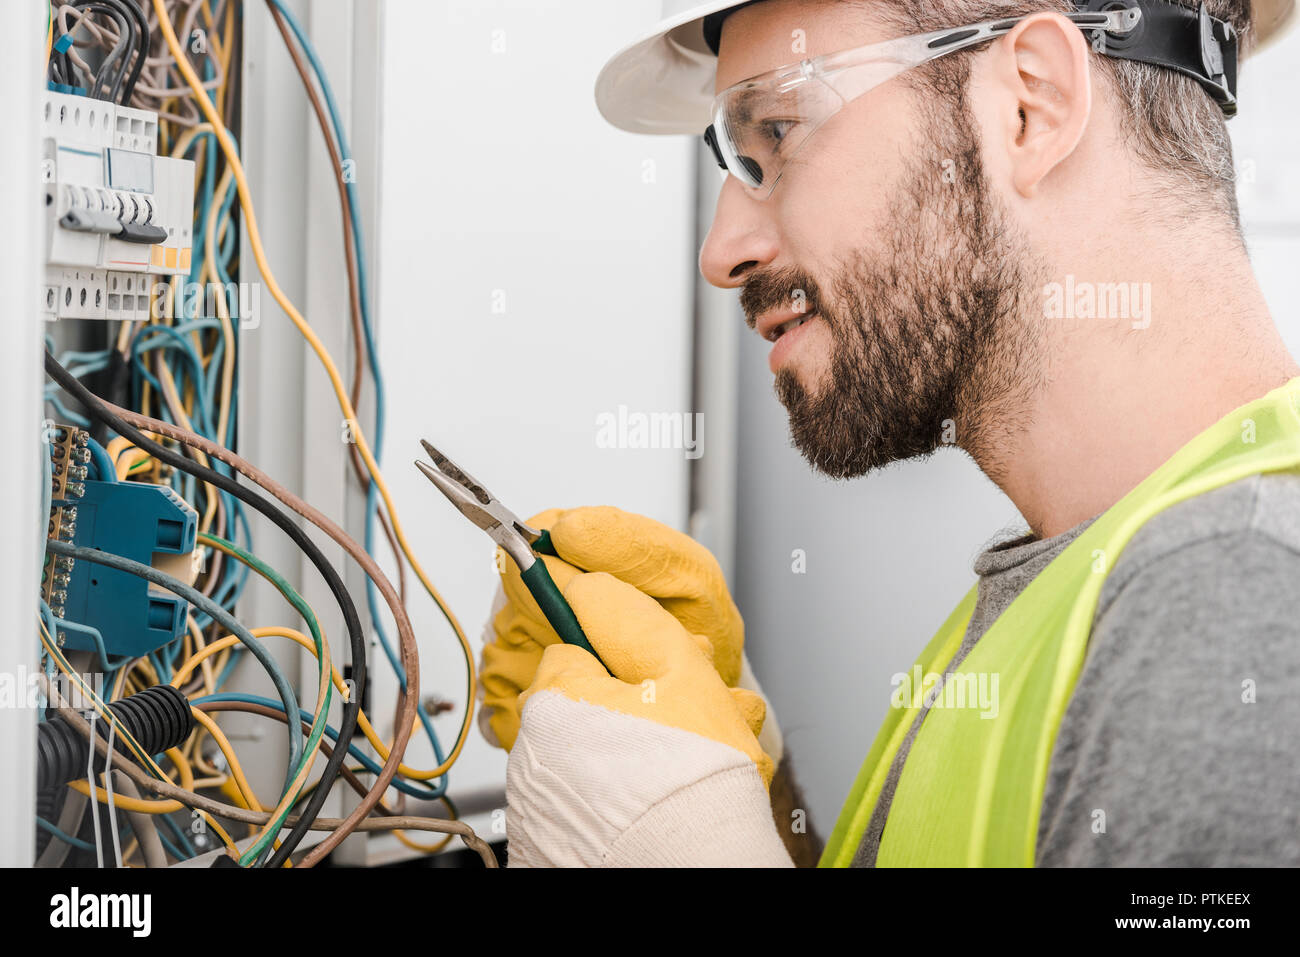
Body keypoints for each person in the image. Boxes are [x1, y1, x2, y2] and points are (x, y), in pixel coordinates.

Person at [479, 0, 1300, 867]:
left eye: (780, 132)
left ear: (1033, 104)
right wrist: (734, 784)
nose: (722, 251)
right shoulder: (1082, 573)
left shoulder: (1232, 592)